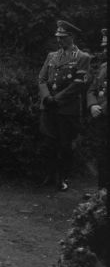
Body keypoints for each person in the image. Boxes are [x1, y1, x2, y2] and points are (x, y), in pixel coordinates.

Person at [38, 20, 91, 191]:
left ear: (72, 37)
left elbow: (78, 84)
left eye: (63, 37)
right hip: (48, 107)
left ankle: (63, 177)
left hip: (66, 109)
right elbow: (42, 79)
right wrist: (46, 97)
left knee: (65, 146)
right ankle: (49, 175)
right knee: (48, 144)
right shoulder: (51, 56)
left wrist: (57, 99)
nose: (59, 40)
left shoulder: (82, 57)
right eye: (58, 37)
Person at [86, 29, 107, 192]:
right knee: (102, 155)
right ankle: (102, 193)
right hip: (102, 119)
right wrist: (93, 104)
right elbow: (92, 89)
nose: (105, 50)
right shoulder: (104, 67)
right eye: (104, 47)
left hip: (104, 113)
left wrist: (102, 108)